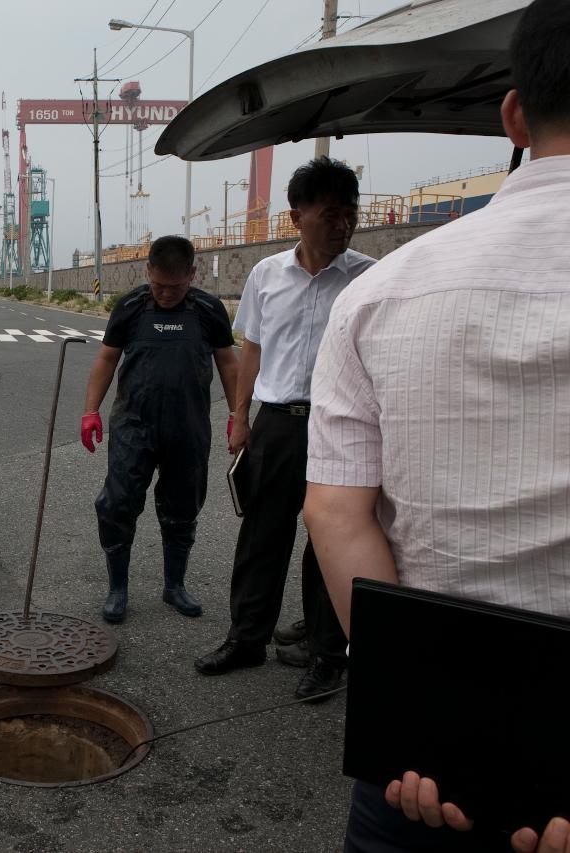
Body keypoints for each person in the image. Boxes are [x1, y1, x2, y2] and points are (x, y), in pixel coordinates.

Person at [304, 1, 570, 849]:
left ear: (514, 115)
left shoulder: (382, 290)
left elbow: (336, 512)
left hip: (423, 758)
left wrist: (416, 714)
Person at [193, 156, 374, 702]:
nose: (342, 225)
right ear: (297, 217)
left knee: (331, 543)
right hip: (276, 424)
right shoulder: (267, 275)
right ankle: (246, 638)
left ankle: (326, 655)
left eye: (350, 214)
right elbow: (253, 348)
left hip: (340, 427)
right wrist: (240, 417)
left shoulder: (368, 277)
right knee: (261, 537)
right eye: (329, 215)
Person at [81, 235, 238, 623]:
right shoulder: (132, 307)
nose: (166, 294)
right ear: (148, 271)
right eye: (158, 285)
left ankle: (174, 586)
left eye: (176, 286)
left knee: (182, 508)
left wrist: (239, 415)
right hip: (134, 425)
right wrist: (90, 412)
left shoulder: (209, 310)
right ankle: (118, 589)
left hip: (188, 427)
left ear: (192, 275)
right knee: (117, 505)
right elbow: (106, 359)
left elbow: (229, 365)